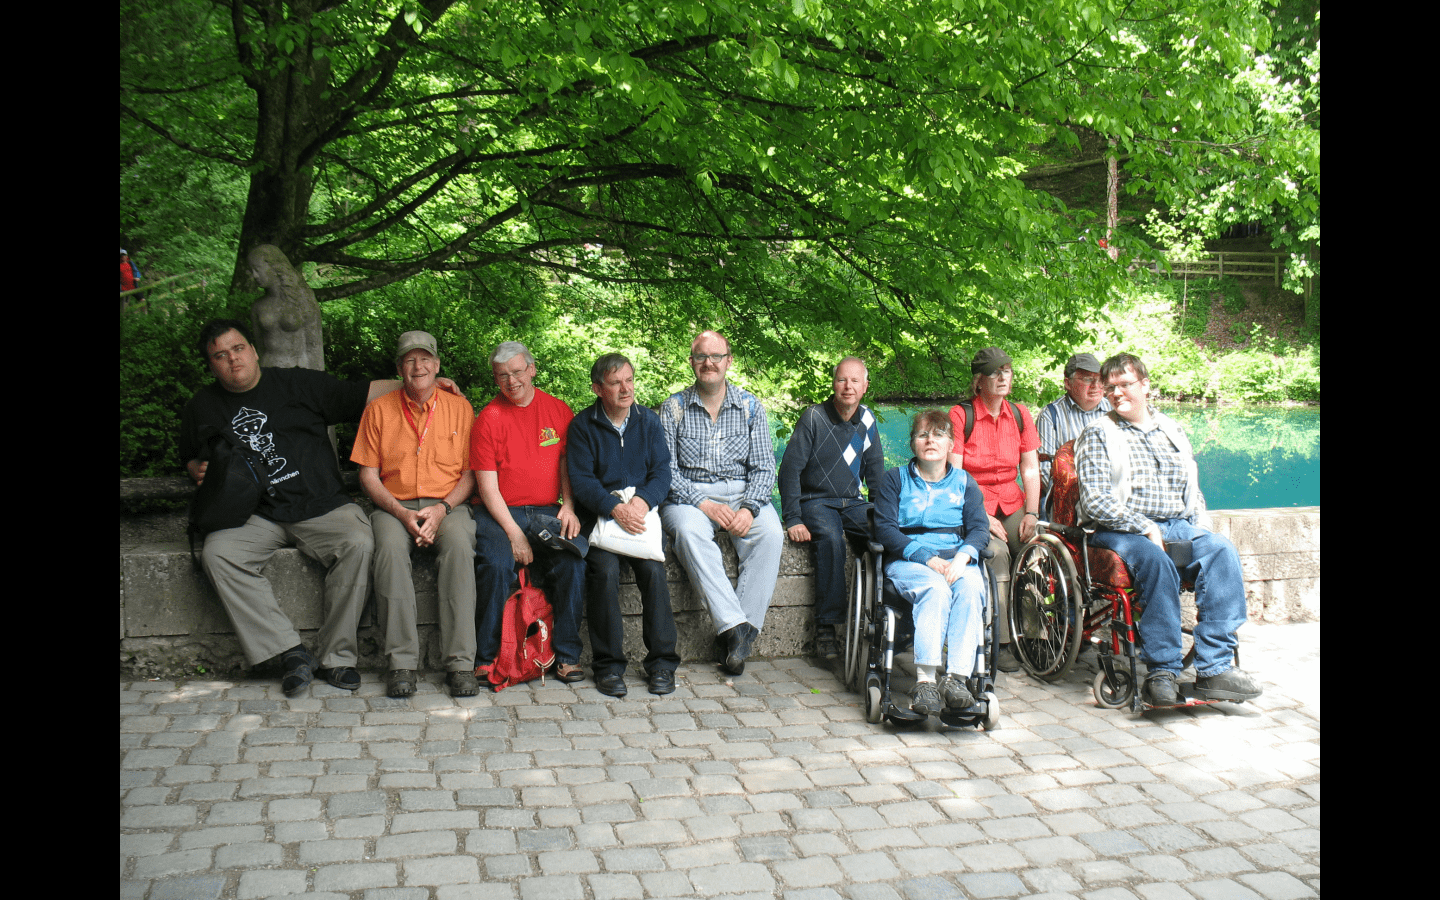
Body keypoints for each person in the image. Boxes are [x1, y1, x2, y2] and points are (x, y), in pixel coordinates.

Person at [180, 319, 424, 695]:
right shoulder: (203, 405)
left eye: (238, 348)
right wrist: (196, 467)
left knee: (359, 544)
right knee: (218, 554)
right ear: (211, 365)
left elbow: (364, 393)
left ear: (254, 349)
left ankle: (336, 657)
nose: (233, 359)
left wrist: (424, 383)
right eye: (220, 355)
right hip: (254, 514)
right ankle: (289, 651)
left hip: (321, 506)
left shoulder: (297, 384)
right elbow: (189, 456)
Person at [1074, 353, 1262, 706]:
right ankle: (1162, 670)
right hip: (1120, 530)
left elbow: (1192, 490)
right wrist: (1144, 527)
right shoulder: (1099, 433)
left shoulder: (1171, 429)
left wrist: (1200, 525)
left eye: (1125, 384)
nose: (1116, 393)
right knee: (1155, 560)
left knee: (1221, 550)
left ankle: (1214, 668)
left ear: (1145, 386)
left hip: (1177, 524)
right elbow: (1096, 501)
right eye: (1110, 387)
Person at [351, 331, 479, 699]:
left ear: (438, 366)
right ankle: (401, 663)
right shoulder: (379, 409)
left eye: (425, 359)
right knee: (388, 551)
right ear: (399, 368)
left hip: (448, 504)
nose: (418, 366)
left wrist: (441, 509)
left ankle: (459, 664)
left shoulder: (460, 408)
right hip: (394, 506)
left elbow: (471, 472)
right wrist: (401, 513)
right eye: (409, 360)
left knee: (458, 547)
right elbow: (367, 476)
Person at [660, 330, 784, 677]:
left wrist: (749, 508)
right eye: (701, 356)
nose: (709, 363)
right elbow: (665, 471)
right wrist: (702, 502)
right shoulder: (673, 408)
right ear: (692, 362)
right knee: (687, 532)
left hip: (742, 493)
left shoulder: (749, 406)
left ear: (729, 361)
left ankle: (738, 639)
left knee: (772, 535)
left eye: (716, 356)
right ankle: (734, 628)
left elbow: (764, 467)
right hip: (688, 496)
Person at [470, 341, 586, 685]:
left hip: (548, 509)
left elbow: (567, 463)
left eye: (518, 372)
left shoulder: (558, 410)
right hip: (500, 512)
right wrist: (514, 533)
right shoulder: (488, 419)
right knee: (495, 564)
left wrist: (568, 505)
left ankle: (566, 656)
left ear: (532, 369)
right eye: (502, 375)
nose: (512, 381)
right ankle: (486, 658)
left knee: (572, 562)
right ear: (496, 379)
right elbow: (488, 488)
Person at [567, 353, 679, 697]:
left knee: (654, 573)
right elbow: (582, 481)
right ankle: (608, 666)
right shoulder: (583, 426)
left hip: (640, 514)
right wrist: (615, 508)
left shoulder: (648, 421)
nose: (625, 388)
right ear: (598, 388)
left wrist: (642, 503)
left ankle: (661, 664)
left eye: (629, 380)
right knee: (604, 572)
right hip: (601, 518)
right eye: (615, 383)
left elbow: (662, 472)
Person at [874, 410, 990, 716]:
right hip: (910, 560)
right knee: (936, 589)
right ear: (912, 443)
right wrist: (928, 558)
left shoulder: (965, 482)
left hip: (957, 559)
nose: (930, 440)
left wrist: (964, 556)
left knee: (972, 588)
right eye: (923, 434)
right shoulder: (894, 479)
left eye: (939, 434)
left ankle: (956, 679)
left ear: (951, 443)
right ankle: (925, 681)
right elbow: (884, 529)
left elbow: (979, 528)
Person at [778, 356, 884, 660]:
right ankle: (826, 628)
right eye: (842, 380)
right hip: (816, 500)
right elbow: (789, 471)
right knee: (831, 539)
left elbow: (875, 473)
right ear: (833, 384)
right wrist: (793, 518)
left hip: (852, 502)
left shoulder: (867, 420)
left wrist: (881, 514)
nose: (847, 387)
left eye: (854, 381)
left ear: (864, 386)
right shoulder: (813, 417)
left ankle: (888, 616)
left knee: (886, 536)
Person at [947, 347, 1039, 673]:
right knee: (997, 553)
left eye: (1007, 371)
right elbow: (954, 478)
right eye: (994, 373)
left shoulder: (1020, 414)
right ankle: (1002, 642)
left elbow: (1029, 469)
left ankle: (1035, 635)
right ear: (978, 381)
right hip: (974, 506)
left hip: (1012, 503)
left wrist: (1031, 513)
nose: (1002, 377)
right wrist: (982, 517)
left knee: (1036, 550)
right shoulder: (961, 416)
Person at [1037, 353, 1111, 499]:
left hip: (1112, 493)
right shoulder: (1050, 415)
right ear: (1067, 383)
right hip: (1066, 497)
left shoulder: (1114, 410)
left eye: (1100, 379)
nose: (1096, 385)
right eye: (1088, 379)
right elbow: (1043, 470)